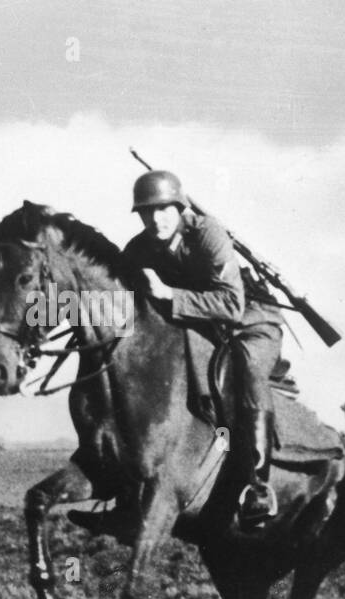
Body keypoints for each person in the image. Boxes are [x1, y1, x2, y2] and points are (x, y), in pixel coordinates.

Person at [121, 170, 285, 532]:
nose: (155, 219)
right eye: (146, 212)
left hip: (250, 320)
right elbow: (112, 297)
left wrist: (169, 295)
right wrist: (47, 311)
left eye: (163, 209)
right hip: (198, 326)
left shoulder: (208, 233)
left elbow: (230, 303)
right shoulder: (139, 249)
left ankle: (257, 486)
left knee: (247, 366)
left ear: (180, 208)